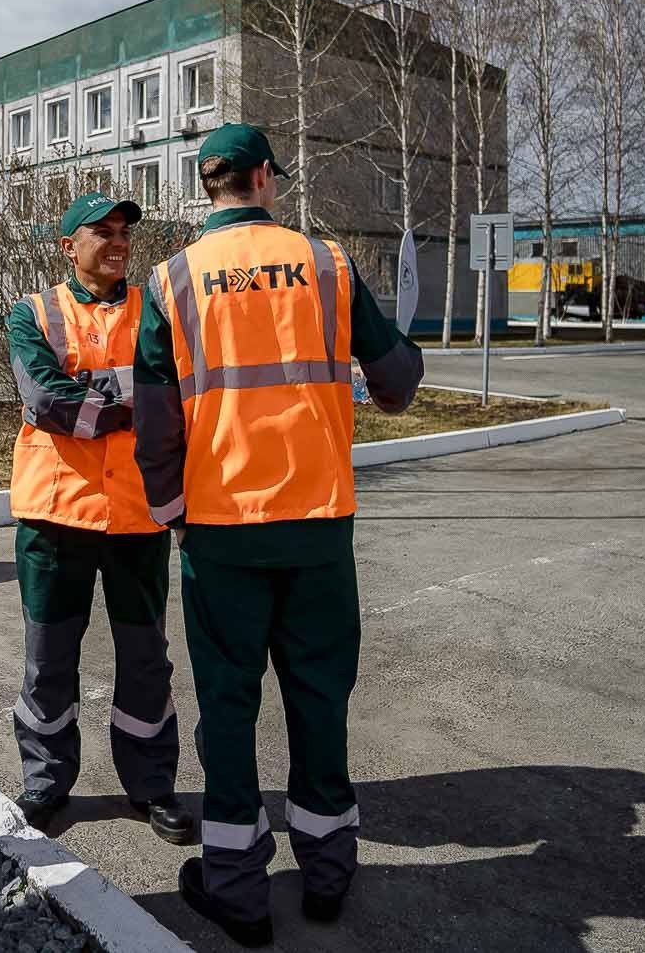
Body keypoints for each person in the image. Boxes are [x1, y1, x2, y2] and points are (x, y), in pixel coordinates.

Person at [134, 123, 422, 948]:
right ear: (264, 178)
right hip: (319, 523)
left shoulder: (173, 278)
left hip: (222, 528)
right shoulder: (328, 265)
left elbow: (155, 422)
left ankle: (237, 887)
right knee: (319, 696)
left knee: (227, 706)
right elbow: (396, 383)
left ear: (208, 185)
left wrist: (168, 512)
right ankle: (327, 873)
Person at [5, 191, 194, 845]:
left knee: (146, 659)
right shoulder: (32, 314)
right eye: (102, 231)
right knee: (47, 659)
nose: (118, 241)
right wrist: (135, 400)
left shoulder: (155, 308)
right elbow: (46, 401)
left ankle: (151, 785)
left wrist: (103, 396)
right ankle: (46, 783)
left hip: (138, 515)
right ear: (66, 245)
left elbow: (180, 393)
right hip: (54, 515)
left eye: (124, 232)